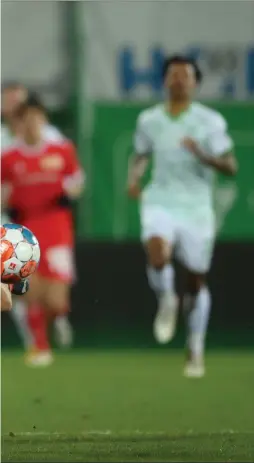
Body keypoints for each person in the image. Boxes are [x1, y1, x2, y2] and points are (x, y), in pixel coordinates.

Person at [127, 55, 237, 378]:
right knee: (157, 250)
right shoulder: (148, 120)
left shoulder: (210, 121)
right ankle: (166, 299)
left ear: (195, 83)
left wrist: (202, 155)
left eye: (185, 76)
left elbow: (232, 167)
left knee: (196, 280)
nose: (178, 80)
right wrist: (134, 178)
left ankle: (196, 346)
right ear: (163, 81)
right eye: (173, 75)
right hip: (160, 199)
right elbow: (141, 155)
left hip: (197, 207)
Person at [1, 96, 84, 366]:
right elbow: (3, 191)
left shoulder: (61, 151)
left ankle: (60, 318)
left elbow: (77, 180)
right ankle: (41, 347)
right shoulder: (10, 157)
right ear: (19, 124)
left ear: (44, 121)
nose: (32, 125)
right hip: (26, 229)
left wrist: (69, 192)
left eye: (37, 118)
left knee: (57, 297)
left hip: (57, 227)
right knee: (30, 290)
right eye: (26, 119)